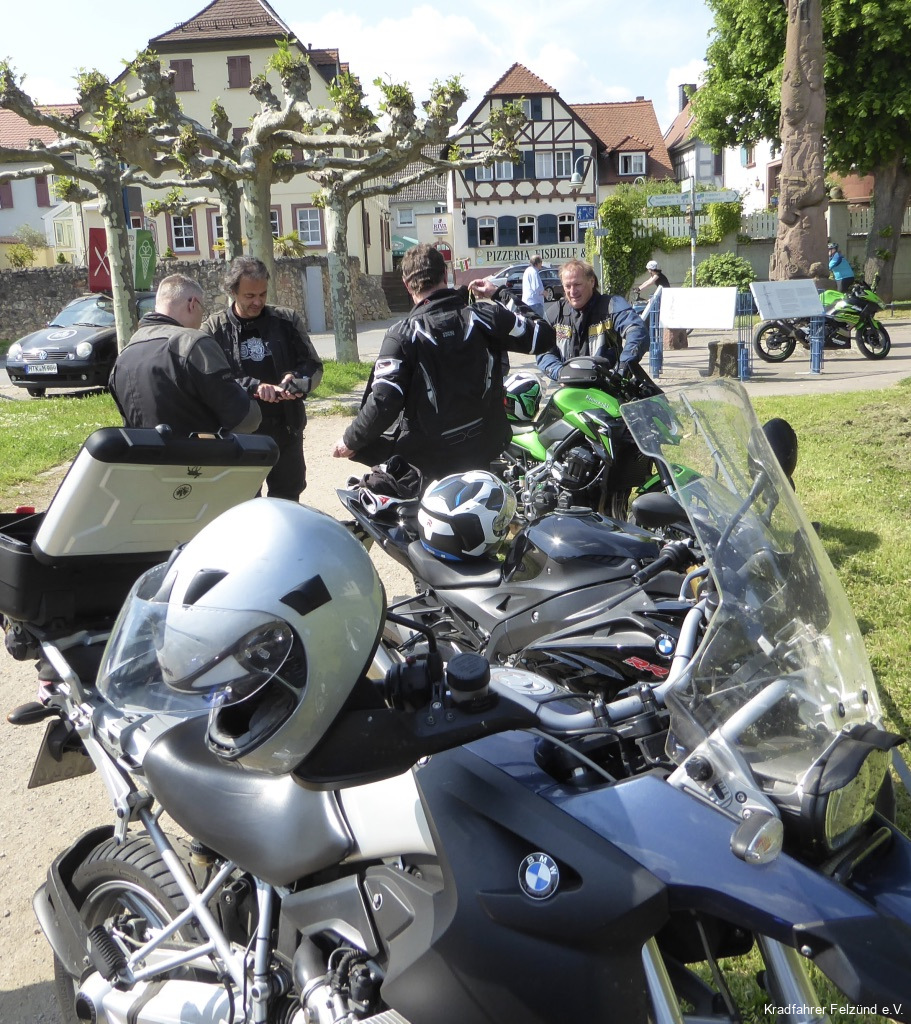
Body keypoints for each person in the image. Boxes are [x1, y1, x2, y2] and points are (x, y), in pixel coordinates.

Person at [331, 243, 555, 480]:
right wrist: (498, 294)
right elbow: (544, 337)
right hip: (484, 449)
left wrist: (350, 440)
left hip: (430, 464)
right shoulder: (485, 316)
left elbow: (383, 401)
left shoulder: (401, 335)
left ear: (407, 285)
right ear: (445, 274)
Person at [205, 256, 323, 501]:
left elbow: (312, 365)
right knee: (245, 502)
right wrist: (255, 388)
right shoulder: (213, 329)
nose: (258, 302)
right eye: (249, 296)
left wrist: (294, 379)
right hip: (240, 434)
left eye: (263, 294)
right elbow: (212, 381)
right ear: (232, 292)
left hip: (286, 427)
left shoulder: (287, 320)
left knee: (288, 498)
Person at [109, 274, 261, 437]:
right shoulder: (193, 343)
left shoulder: (124, 357)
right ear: (193, 304)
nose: (202, 318)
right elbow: (243, 418)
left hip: (145, 453)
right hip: (199, 452)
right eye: (203, 310)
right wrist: (249, 396)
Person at [536, 258, 652, 382]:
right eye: (567, 286)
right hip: (568, 386)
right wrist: (561, 373)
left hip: (608, 385)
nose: (572, 291)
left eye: (577, 284)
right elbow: (543, 351)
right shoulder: (555, 313)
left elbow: (637, 330)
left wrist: (623, 367)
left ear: (591, 282)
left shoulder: (612, 305)